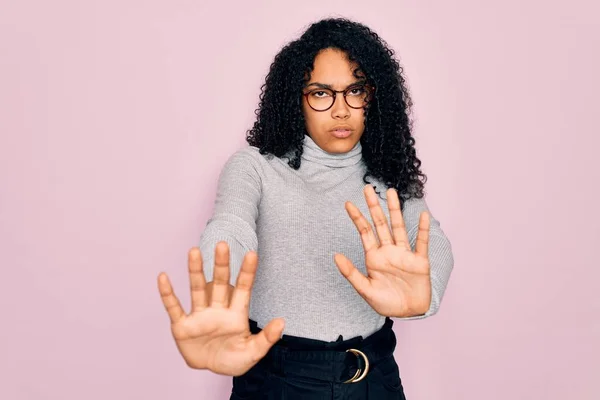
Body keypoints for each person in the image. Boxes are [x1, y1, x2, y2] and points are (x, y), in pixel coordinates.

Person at [157, 17, 454, 399]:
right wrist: (222, 284)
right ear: (296, 99)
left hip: (375, 377)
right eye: (321, 93)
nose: (341, 110)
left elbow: (435, 243)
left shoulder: (390, 171)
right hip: (277, 379)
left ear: (373, 97)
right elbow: (230, 225)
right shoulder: (255, 167)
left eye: (356, 91)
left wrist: (424, 297)